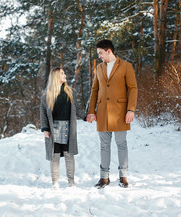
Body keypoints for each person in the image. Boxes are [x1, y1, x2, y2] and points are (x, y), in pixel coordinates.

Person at [87, 39, 138, 188]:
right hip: (102, 112)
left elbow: (133, 88)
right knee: (104, 145)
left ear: (109, 51)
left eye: (100, 53)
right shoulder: (99, 68)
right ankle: (104, 178)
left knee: (121, 144)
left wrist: (131, 109)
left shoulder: (126, 66)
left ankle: (123, 176)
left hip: (120, 113)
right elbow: (94, 90)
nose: (99, 56)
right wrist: (91, 111)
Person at [40, 67, 86, 189]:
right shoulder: (46, 95)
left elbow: (77, 110)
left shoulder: (70, 92)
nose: (64, 75)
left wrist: (87, 117)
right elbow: (43, 113)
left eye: (64, 73)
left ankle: (71, 182)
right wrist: (45, 129)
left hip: (68, 128)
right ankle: (55, 182)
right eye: (62, 73)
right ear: (56, 77)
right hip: (53, 128)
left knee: (69, 155)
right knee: (54, 156)